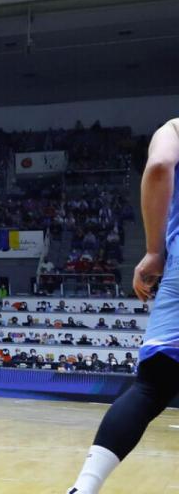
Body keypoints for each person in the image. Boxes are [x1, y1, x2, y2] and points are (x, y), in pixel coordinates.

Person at [67, 120, 179, 494]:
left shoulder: (176, 128)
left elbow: (160, 166)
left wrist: (152, 251)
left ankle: (83, 489)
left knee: (151, 387)